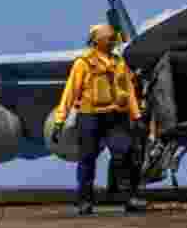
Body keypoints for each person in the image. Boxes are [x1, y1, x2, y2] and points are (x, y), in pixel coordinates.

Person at [52, 24, 145, 215]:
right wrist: (60, 120)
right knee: (87, 158)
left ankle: (130, 198)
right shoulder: (83, 63)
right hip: (90, 116)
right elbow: (70, 92)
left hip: (116, 116)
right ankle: (85, 201)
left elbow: (128, 91)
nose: (113, 41)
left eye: (113, 38)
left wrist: (136, 116)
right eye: (109, 38)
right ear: (97, 40)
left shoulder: (119, 62)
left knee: (126, 153)